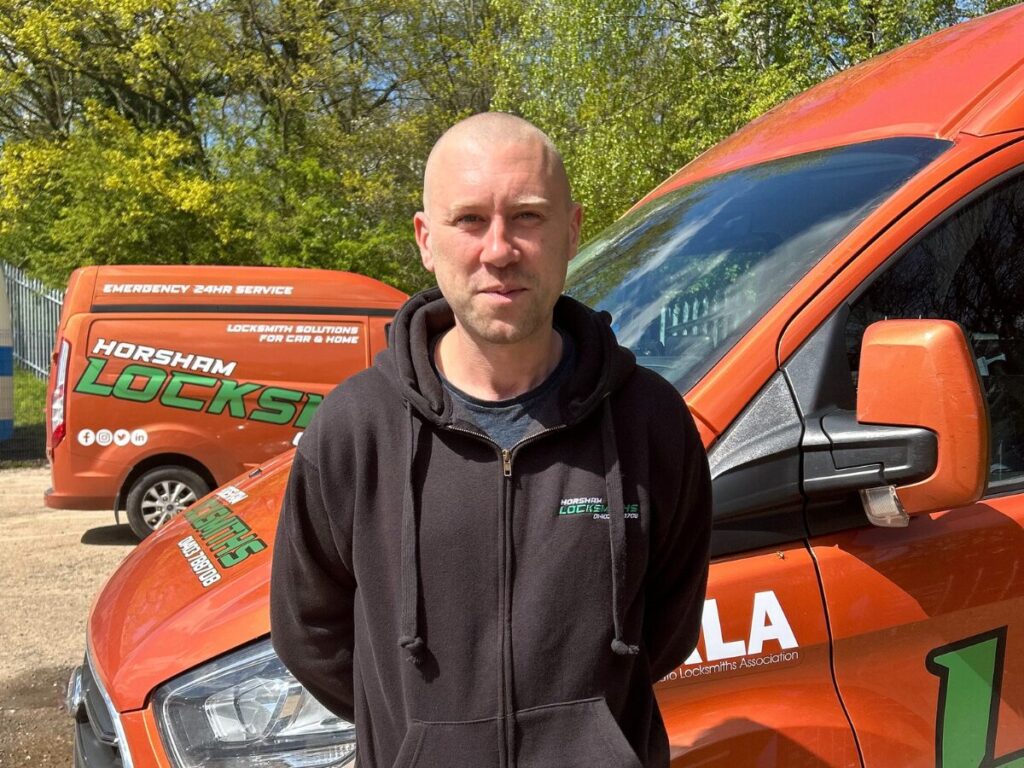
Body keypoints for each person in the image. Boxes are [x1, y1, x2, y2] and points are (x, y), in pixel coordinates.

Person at [270, 112, 712, 768]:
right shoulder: (352, 431)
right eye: (470, 219)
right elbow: (311, 635)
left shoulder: (651, 423)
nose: (499, 249)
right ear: (426, 239)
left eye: (528, 217)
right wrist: (430, 739)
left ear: (572, 230)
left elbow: (666, 628)